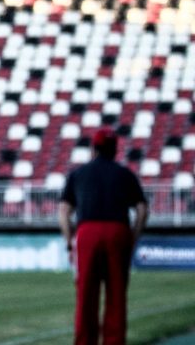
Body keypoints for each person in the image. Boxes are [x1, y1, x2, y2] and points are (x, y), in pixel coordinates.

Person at [59, 128, 149, 345]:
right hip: (118, 231)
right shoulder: (125, 174)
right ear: (115, 150)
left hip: (87, 231)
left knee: (86, 296)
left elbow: (64, 211)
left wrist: (70, 240)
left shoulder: (78, 174)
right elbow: (142, 208)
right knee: (116, 296)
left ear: (93, 149)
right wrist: (133, 236)